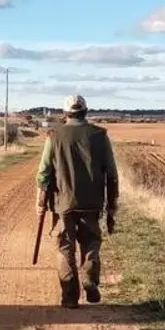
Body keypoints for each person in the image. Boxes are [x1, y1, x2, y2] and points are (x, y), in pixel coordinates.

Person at [34, 95, 119, 308]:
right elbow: (112, 174)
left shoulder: (53, 136)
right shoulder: (100, 136)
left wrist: (40, 202)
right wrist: (111, 206)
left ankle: (70, 295)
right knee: (91, 242)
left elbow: (43, 174)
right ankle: (90, 279)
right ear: (85, 112)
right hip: (92, 202)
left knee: (65, 247)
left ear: (65, 114)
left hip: (63, 204)